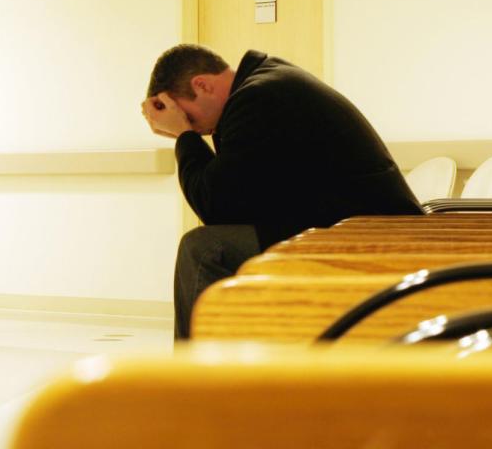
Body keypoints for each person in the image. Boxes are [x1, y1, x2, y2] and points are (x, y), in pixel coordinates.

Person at [141, 45, 422, 339]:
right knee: (216, 245)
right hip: (357, 227)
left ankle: (200, 368)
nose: (199, 130)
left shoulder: (257, 98)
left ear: (202, 85)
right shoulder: (268, 85)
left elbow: (214, 206)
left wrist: (184, 136)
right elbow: (236, 200)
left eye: (189, 117)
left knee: (203, 249)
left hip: (370, 237)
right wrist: (188, 132)